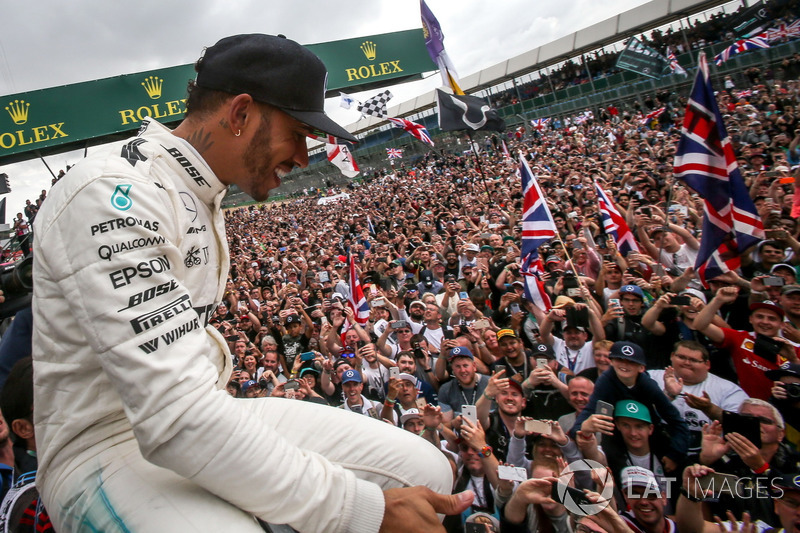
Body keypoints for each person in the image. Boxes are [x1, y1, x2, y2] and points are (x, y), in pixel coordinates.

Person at [31, 34, 468, 533]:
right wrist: (359, 510)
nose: (305, 157)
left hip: (197, 411)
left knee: (426, 469)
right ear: (240, 114)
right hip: (103, 446)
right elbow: (175, 417)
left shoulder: (197, 190)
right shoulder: (111, 193)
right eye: (298, 132)